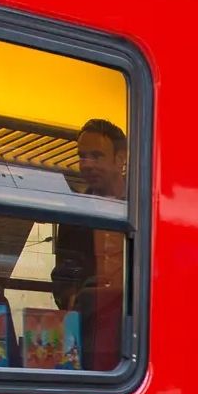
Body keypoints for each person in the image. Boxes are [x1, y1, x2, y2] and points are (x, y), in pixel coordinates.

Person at [52, 117, 128, 371]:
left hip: (137, 326)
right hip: (90, 329)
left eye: (97, 156)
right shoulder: (74, 215)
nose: (87, 164)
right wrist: (74, 297)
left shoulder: (146, 208)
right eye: (82, 156)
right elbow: (63, 274)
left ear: (120, 159)